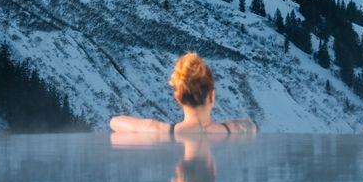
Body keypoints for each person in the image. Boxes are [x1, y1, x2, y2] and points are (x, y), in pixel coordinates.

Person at [109, 52, 258, 137]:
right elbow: (251, 125)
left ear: (178, 98)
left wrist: (153, 127)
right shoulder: (233, 132)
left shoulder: (160, 132)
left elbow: (115, 122)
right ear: (212, 96)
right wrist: (226, 128)